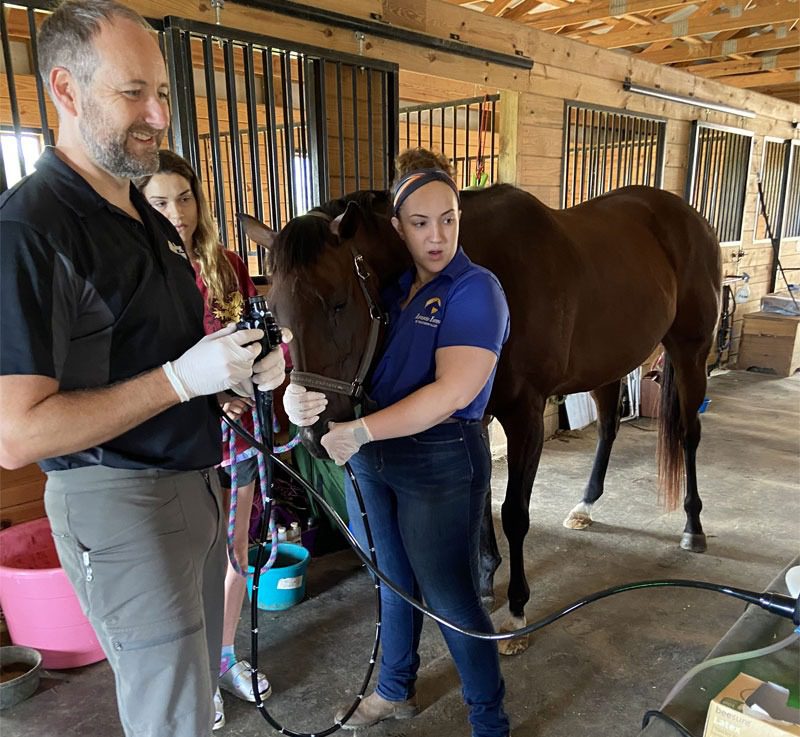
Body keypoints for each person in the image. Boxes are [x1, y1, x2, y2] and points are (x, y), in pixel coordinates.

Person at [0, 3, 286, 736]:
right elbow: (14, 433)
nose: (159, 115)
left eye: (161, 92)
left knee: (193, 693)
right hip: (116, 499)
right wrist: (180, 380)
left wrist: (227, 377)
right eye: (134, 93)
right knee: (172, 713)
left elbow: (142, 357)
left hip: (193, 480)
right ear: (66, 90)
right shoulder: (30, 231)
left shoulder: (144, 215)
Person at [285, 148, 511, 737]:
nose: (437, 235)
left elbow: (452, 392)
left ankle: (489, 723)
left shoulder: (476, 290)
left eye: (449, 219)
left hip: (440, 457)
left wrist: (358, 430)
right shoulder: (392, 291)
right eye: (420, 222)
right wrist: (299, 396)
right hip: (375, 456)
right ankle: (394, 690)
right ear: (398, 227)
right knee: (390, 578)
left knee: (451, 596)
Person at [137, 150, 272, 731]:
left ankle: (224, 659)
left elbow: (248, 339)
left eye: (185, 198)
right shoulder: (138, 271)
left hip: (237, 433)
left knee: (235, 548)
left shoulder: (227, 265)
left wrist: (269, 363)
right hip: (176, 439)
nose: (177, 212)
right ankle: (193, 674)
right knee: (188, 559)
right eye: (160, 201)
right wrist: (209, 392)